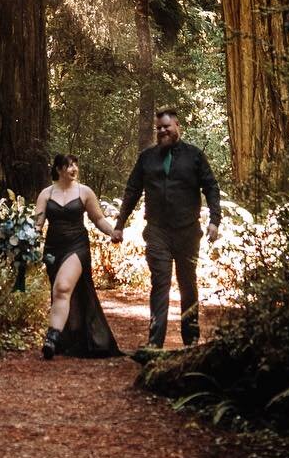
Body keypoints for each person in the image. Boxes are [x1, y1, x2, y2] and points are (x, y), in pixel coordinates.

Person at [113, 108, 221, 349]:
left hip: (187, 231)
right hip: (157, 231)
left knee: (187, 283)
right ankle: (155, 342)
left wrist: (214, 220)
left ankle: (191, 340)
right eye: (158, 128)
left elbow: (211, 188)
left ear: (177, 126)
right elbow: (132, 191)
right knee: (160, 282)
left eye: (166, 126)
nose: (162, 131)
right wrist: (119, 224)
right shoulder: (147, 158)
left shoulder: (194, 156)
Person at [31, 153, 122, 360]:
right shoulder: (46, 194)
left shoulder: (84, 192)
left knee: (62, 287)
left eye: (75, 165)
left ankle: (51, 339)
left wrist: (112, 232)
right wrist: (25, 242)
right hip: (53, 248)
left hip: (77, 246)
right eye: (69, 165)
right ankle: (63, 338)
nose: (73, 169)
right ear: (58, 169)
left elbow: (98, 218)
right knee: (58, 292)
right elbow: (37, 225)